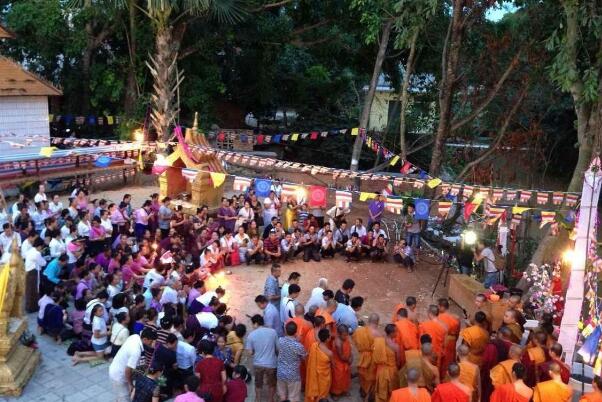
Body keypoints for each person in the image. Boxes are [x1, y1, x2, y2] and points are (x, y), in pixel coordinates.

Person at [109, 328, 158, 402]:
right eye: (151, 342)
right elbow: (127, 370)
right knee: (124, 398)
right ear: (145, 339)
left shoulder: (135, 336)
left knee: (120, 395)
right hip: (119, 376)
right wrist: (130, 384)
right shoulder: (136, 351)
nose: (152, 344)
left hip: (117, 367)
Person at [245, 314, 278, 402]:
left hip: (258, 364)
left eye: (252, 324)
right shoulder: (273, 332)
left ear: (255, 323)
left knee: (258, 384)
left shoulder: (251, 335)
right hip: (271, 363)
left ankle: (258, 399)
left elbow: (250, 352)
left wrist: (256, 351)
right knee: (272, 384)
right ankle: (270, 399)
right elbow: (277, 348)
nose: (252, 326)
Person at [352, 313, 380, 402]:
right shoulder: (378, 334)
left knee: (363, 374)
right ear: (377, 322)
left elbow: (355, 341)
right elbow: (379, 349)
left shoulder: (359, 331)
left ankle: (362, 389)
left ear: (368, 321)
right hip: (371, 359)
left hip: (362, 357)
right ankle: (367, 395)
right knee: (370, 378)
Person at [276, 321, 306, 402]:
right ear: (296, 332)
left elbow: (278, 351)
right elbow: (304, 358)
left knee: (282, 397)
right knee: (293, 398)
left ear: (285, 330)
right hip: (293, 375)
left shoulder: (280, 340)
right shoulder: (298, 346)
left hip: (281, 373)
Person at [419, 305, 448, 375]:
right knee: (436, 373)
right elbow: (445, 344)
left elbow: (420, 342)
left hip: (426, 354)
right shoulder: (444, 326)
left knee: (426, 374)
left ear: (429, 313)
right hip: (438, 355)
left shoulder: (423, 325)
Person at [305, 328, 332, 402]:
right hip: (324, 375)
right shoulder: (329, 353)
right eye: (329, 336)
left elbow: (308, 355)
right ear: (327, 339)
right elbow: (332, 364)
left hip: (314, 373)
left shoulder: (314, 345)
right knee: (323, 391)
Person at [438, 298, 461, 375]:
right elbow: (458, 333)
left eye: (439, 306)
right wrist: (454, 340)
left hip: (443, 340)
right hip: (452, 341)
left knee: (442, 361)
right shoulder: (456, 318)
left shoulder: (439, 317)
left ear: (442, 307)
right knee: (450, 359)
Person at [331, 324, 352, 397]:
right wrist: (349, 360)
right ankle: (336, 393)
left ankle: (344, 390)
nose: (346, 337)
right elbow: (341, 357)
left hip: (346, 362)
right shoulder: (338, 343)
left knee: (346, 378)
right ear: (339, 334)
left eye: (347, 335)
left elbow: (349, 349)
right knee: (338, 379)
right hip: (339, 363)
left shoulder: (345, 339)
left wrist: (351, 356)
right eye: (344, 335)